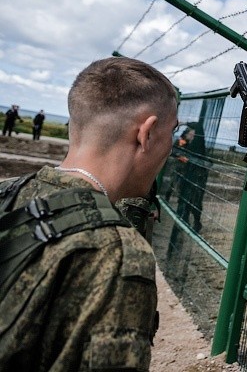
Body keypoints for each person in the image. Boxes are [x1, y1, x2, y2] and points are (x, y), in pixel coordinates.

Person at [0, 57, 178, 371]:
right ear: (146, 134)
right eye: (171, 134)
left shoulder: (7, 192)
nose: (171, 148)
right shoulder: (118, 252)